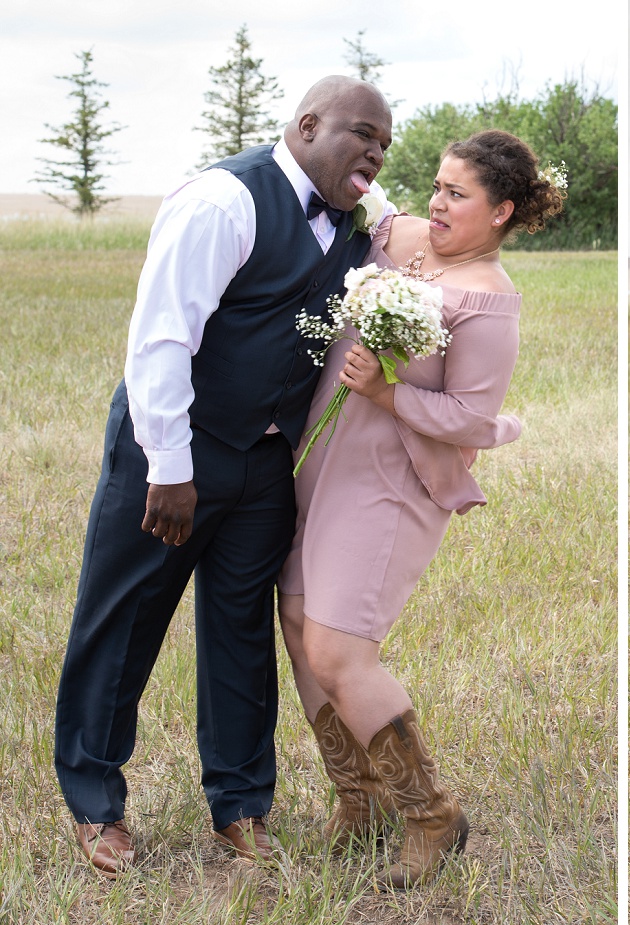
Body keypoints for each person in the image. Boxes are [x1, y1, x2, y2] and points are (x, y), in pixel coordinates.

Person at [53, 76, 393, 877]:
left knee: (241, 633)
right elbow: (161, 339)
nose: (375, 153)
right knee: (125, 620)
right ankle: (95, 803)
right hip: (173, 451)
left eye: (385, 144)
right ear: (307, 125)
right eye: (361, 134)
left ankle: (241, 806)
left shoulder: (358, 225)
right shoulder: (223, 200)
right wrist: (170, 469)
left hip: (265, 462)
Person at [276, 129, 566, 888]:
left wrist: (386, 391)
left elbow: (472, 418)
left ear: (501, 211)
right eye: (436, 186)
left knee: (340, 649)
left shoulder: (489, 299)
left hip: (392, 478)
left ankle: (431, 811)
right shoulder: (393, 234)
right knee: (301, 626)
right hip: (321, 455)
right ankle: (359, 797)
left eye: (457, 194)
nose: (437, 204)